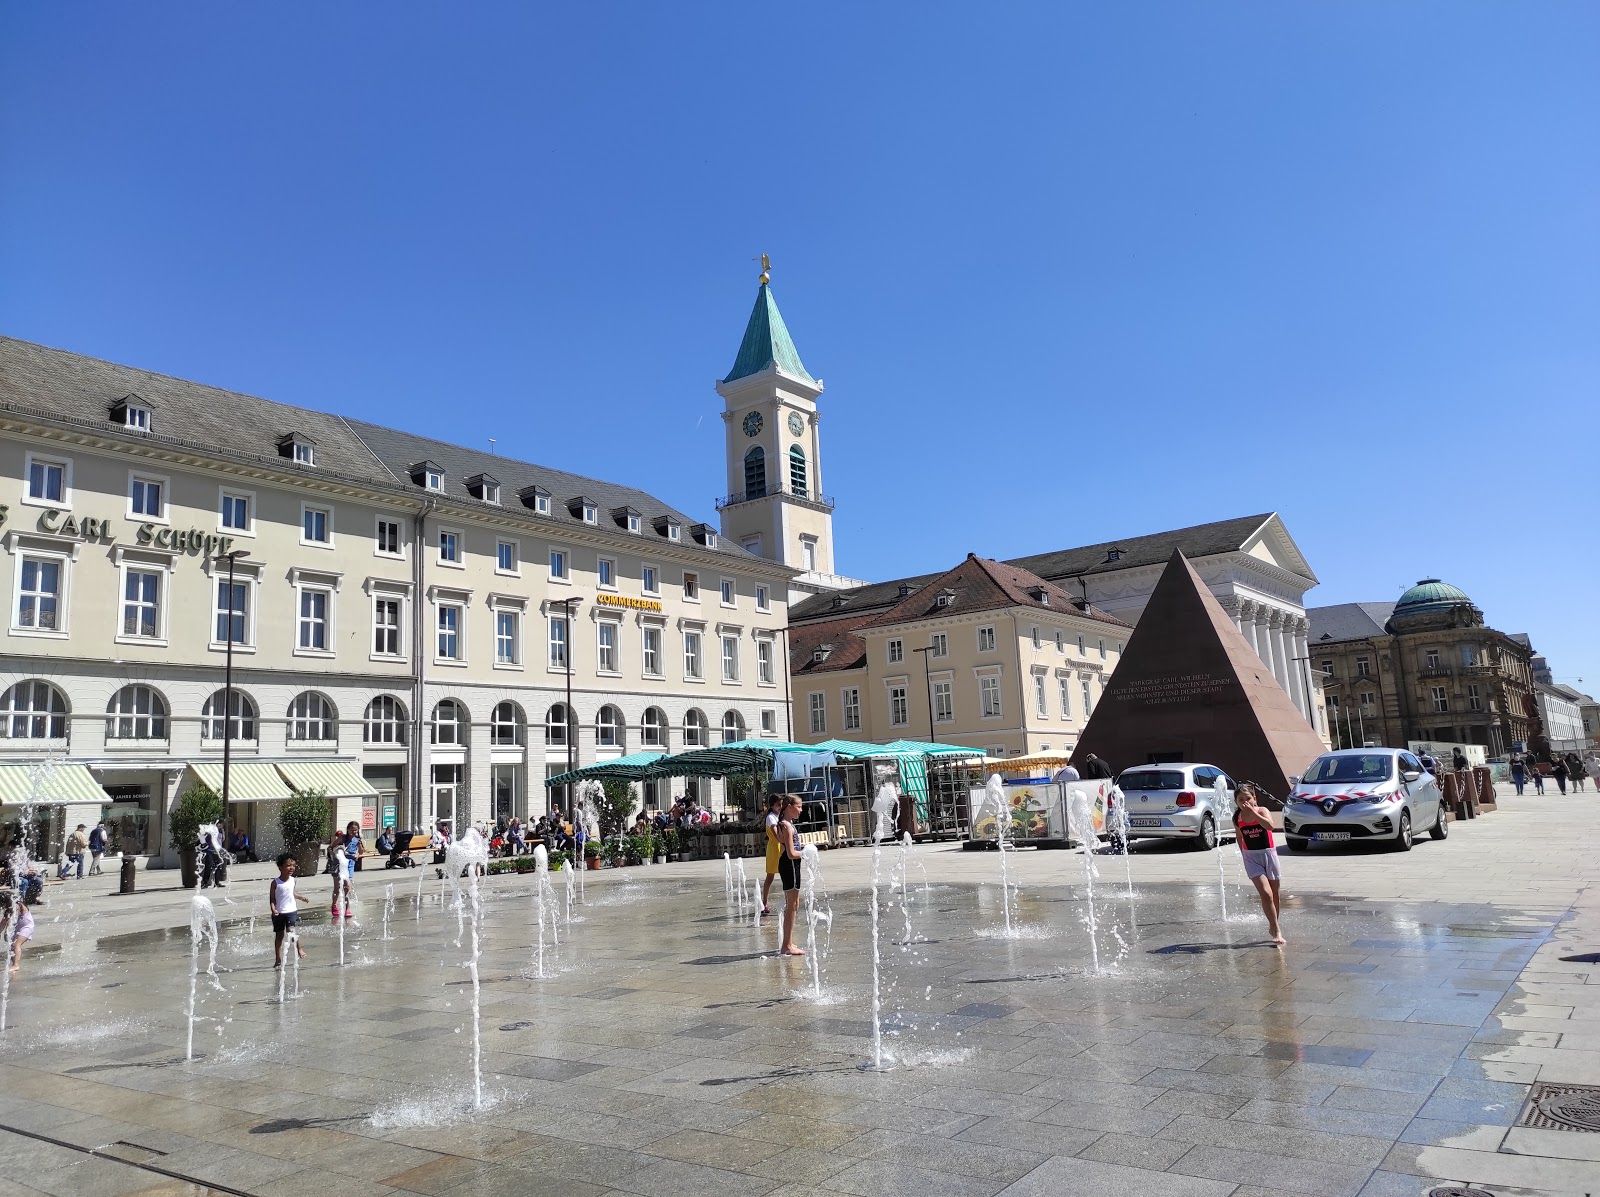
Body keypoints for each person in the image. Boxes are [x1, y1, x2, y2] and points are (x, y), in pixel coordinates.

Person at [1232, 782, 1284, 946]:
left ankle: (1273, 923)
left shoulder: (1262, 811)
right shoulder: (1237, 817)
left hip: (1269, 854)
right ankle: (1276, 930)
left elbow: (1270, 826)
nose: (1244, 802)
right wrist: (1243, 854)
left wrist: (1254, 814)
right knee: (1266, 894)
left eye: (1247, 798)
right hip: (1251, 858)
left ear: (1254, 798)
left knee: (1275, 894)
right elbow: (1239, 836)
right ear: (1237, 802)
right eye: (1240, 800)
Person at [776, 795, 806, 957]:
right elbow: (791, 853)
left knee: (794, 904)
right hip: (790, 865)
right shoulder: (787, 826)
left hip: (789, 865)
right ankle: (786, 945)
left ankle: (789, 942)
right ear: (788, 806)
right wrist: (807, 853)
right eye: (799, 806)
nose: (801, 810)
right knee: (792, 905)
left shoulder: (787, 824)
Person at [268, 852, 307, 969]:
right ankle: (277, 958)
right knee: (279, 936)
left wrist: (301, 897)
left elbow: (292, 893)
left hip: (291, 910)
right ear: (280, 867)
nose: (292, 868)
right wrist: (273, 909)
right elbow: (272, 898)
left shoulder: (293, 880)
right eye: (288, 865)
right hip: (279, 912)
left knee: (291, 930)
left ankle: (299, 948)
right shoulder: (275, 883)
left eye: (294, 866)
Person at [759, 793, 783, 917]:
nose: (780, 806)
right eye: (778, 805)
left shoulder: (779, 816)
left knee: (786, 875)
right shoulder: (771, 817)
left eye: (781, 804)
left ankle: (789, 901)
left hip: (781, 847)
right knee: (770, 877)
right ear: (772, 805)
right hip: (774, 849)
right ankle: (764, 903)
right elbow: (776, 834)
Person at [1, 894, 33, 974]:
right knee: (11, 946)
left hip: (27, 927)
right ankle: (13, 964)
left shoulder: (18, 905)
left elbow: (7, 919)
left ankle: (16, 965)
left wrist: (5, 929)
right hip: (19, 927)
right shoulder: (10, 908)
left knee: (16, 945)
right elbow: (4, 922)